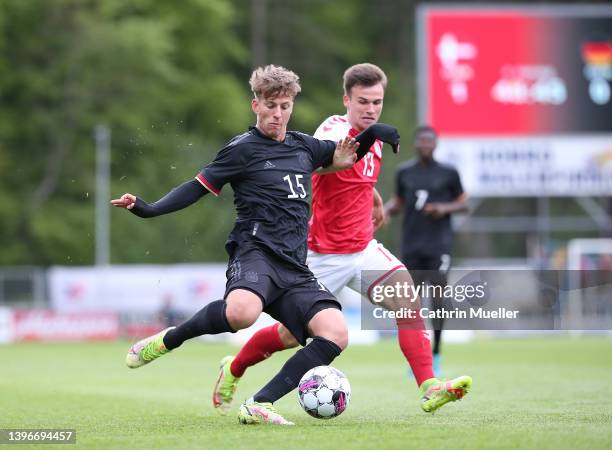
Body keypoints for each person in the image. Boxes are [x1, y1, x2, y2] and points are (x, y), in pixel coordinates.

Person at [112, 64, 400, 426]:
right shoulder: (241, 150)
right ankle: (170, 339)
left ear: (292, 106)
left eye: (285, 106)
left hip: (294, 265)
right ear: (256, 106)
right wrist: (147, 209)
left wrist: (374, 133)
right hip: (256, 252)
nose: (278, 114)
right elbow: (194, 187)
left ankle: (260, 403)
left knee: (336, 333)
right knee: (242, 313)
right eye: (271, 106)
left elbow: (346, 155)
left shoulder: (303, 146)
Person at [211, 64, 472, 416]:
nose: (370, 109)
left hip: (363, 249)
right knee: (289, 336)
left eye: (377, 103)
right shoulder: (334, 130)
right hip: (321, 256)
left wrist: (375, 198)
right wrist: (376, 132)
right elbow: (331, 157)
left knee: (408, 304)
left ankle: (429, 387)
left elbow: (356, 172)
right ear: (346, 99)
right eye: (362, 102)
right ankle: (235, 367)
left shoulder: (372, 138)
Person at [384, 125, 469, 375]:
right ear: (415, 144)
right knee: (410, 302)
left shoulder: (448, 173)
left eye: (429, 141)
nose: (425, 145)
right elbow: (399, 201)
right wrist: (384, 211)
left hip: (439, 245)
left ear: (436, 144)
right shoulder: (405, 172)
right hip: (411, 245)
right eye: (421, 141)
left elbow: (464, 203)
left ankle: (437, 353)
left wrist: (444, 208)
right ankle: (418, 358)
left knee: (439, 299)